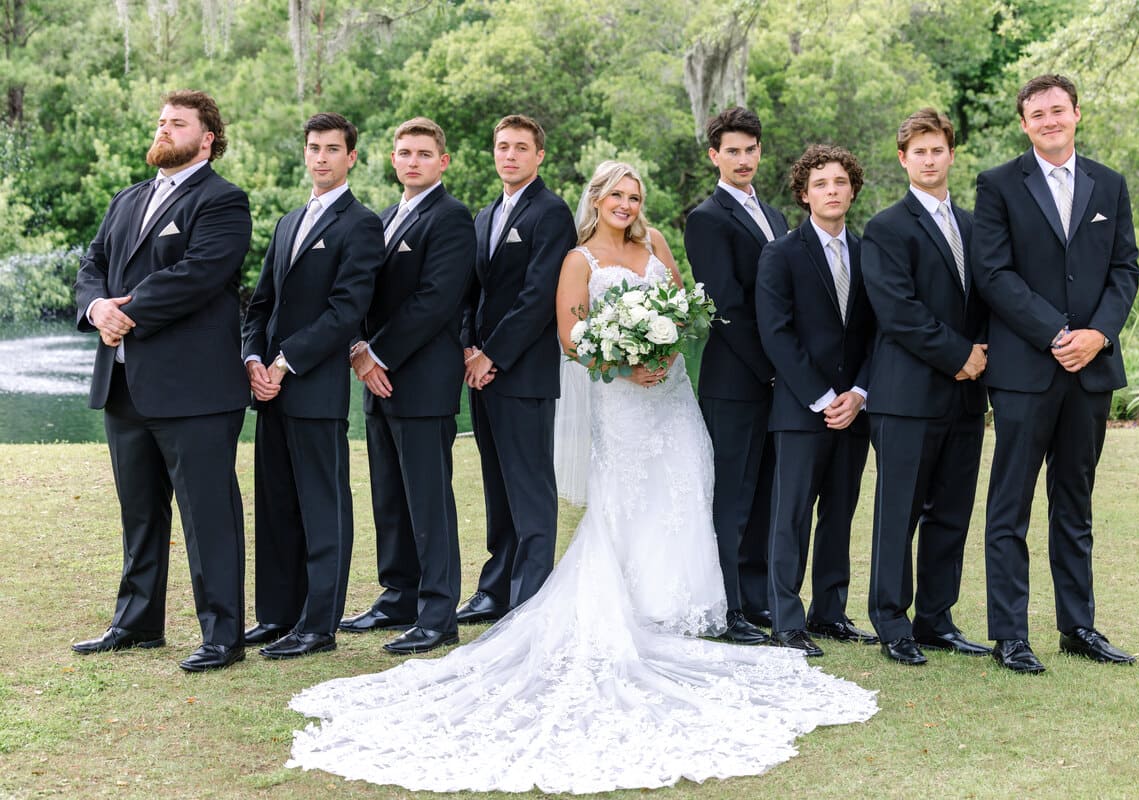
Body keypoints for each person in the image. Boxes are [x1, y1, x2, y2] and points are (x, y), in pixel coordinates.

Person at [284, 161, 877, 794]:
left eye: (635, 195)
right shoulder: (578, 257)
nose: (626, 204)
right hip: (622, 400)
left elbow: (683, 308)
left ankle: (680, 607)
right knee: (628, 499)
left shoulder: (655, 245)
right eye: (616, 195)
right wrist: (626, 363)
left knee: (684, 488)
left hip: (670, 397)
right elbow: (570, 337)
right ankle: (636, 610)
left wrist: (666, 349)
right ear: (598, 199)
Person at [72, 89, 251, 673]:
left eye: (177, 123)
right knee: (141, 512)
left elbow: (200, 274)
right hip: (124, 387)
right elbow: (91, 264)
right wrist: (97, 308)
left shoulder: (224, 201)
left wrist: (129, 310)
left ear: (207, 138)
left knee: (207, 515)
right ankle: (137, 623)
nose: (164, 128)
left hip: (194, 391)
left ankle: (222, 635)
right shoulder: (128, 199)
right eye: (161, 120)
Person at [972, 74, 1139, 673]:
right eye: (1037, 113)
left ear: (1076, 115)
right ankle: (1009, 635)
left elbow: (1125, 269)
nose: (1049, 120)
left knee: (1075, 504)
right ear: (1024, 123)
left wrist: (1098, 335)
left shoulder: (1109, 184)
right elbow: (992, 274)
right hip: (1025, 372)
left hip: (1090, 371)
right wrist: (1055, 334)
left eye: (1058, 111)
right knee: (1009, 506)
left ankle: (1079, 626)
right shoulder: (997, 186)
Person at [240, 113, 384, 659]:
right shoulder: (286, 221)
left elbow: (347, 311)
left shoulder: (361, 224)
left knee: (323, 507)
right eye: (313, 148)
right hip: (268, 390)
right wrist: (254, 357)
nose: (321, 157)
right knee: (276, 507)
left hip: (313, 388)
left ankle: (318, 625)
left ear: (351, 157)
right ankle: (277, 615)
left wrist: (284, 363)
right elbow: (261, 305)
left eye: (332, 149)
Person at [339, 117, 475, 655]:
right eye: (403, 152)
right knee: (389, 497)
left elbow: (436, 301)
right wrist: (357, 348)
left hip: (421, 381)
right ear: (392, 160)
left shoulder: (452, 218)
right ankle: (398, 595)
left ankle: (438, 614)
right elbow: (362, 295)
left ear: (442, 162)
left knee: (428, 500)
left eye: (423, 153)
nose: (412, 160)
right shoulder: (387, 217)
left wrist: (377, 353)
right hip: (377, 380)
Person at [860, 109, 990, 666]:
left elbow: (989, 298)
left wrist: (981, 355)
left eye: (938, 149)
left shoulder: (977, 224)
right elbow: (899, 312)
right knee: (900, 512)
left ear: (951, 154)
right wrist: (961, 355)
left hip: (965, 397)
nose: (930, 159)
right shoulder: (887, 228)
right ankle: (892, 621)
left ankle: (937, 618)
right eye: (919, 151)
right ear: (903, 159)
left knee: (952, 511)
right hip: (906, 397)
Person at [756, 145, 878, 657]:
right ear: (804, 194)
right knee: (792, 517)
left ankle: (830, 612)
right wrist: (825, 397)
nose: (832, 190)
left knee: (841, 513)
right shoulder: (781, 253)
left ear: (852, 189)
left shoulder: (871, 252)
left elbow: (880, 331)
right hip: (803, 410)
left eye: (840, 182)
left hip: (856, 408)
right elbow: (777, 334)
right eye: (821, 183)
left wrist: (859, 393)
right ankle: (787, 619)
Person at [455, 115, 576, 624]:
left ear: (539, 156)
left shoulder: (551, 213)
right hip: (480, 371)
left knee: (530, 489)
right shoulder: (484, 215)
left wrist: (494, 355)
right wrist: (468, 349)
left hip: (522, 374)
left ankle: (531, 595)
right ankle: (495, 587)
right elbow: (471, 292)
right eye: (502, 146)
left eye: (520, 148)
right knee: (496, 484)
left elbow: (537, 297)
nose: (510, 155)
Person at [684, 107, 785, 644]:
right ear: (714, 156)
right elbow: (728, 305)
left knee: (768, 493)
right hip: (736, 381)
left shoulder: (776, 215)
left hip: (779, 384)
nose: (742, 159)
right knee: (732, 499)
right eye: (732, 151)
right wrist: (776, 370)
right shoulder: (706, 218)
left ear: (759, 152)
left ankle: (759, 598)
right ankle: (727, 608)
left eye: (750, 150)